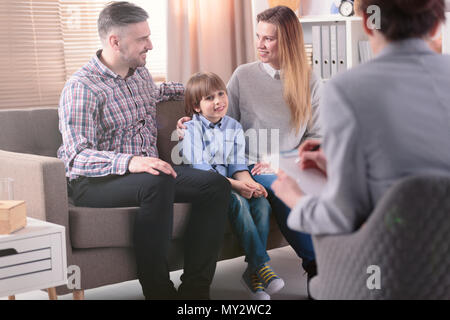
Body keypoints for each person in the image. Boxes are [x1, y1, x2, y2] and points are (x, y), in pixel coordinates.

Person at [57, 2, 231, 300]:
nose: (150, 45)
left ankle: (195, 291)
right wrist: (131, 162)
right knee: (157, 180)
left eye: (149, 37)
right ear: (115, 41)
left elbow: (160, 93)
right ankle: (158, 292)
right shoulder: (82, 87)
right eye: (142, 39)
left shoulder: (138, 74)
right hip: (95, 182)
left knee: (215, 185)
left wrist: (205, 94)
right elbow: (77, 156)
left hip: (148, 174)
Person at [272, 0, 450, 236]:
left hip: (396, 256)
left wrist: (292, 196)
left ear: (366, 21)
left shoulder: (346, 89)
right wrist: (338, 167)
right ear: (438, 23)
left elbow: (340, 217)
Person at [177, 6, 322, 284]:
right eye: (258, 36)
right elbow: (220, 120)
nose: (260, 44)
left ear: (288, 41)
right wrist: (191, 123)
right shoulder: (243, 75)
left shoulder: (310, 80)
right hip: (247, 164)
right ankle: (316, 267)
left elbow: (317, 138)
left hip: (289, 162)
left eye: (268, 38)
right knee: (282, 187)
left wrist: (283, 160)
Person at [181, 72, 285, 300]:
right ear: (197, 107)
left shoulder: (234, 126)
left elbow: (238, 165)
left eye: (221, 94)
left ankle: (253, 275)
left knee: (261, 203)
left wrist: (251, 185)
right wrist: (238, 187)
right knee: (238, 201)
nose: (218, 101)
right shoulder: (191, 130)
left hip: (232, 181)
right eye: (209, 98)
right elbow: (202, 171)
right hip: (207, 187)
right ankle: (261, 265)